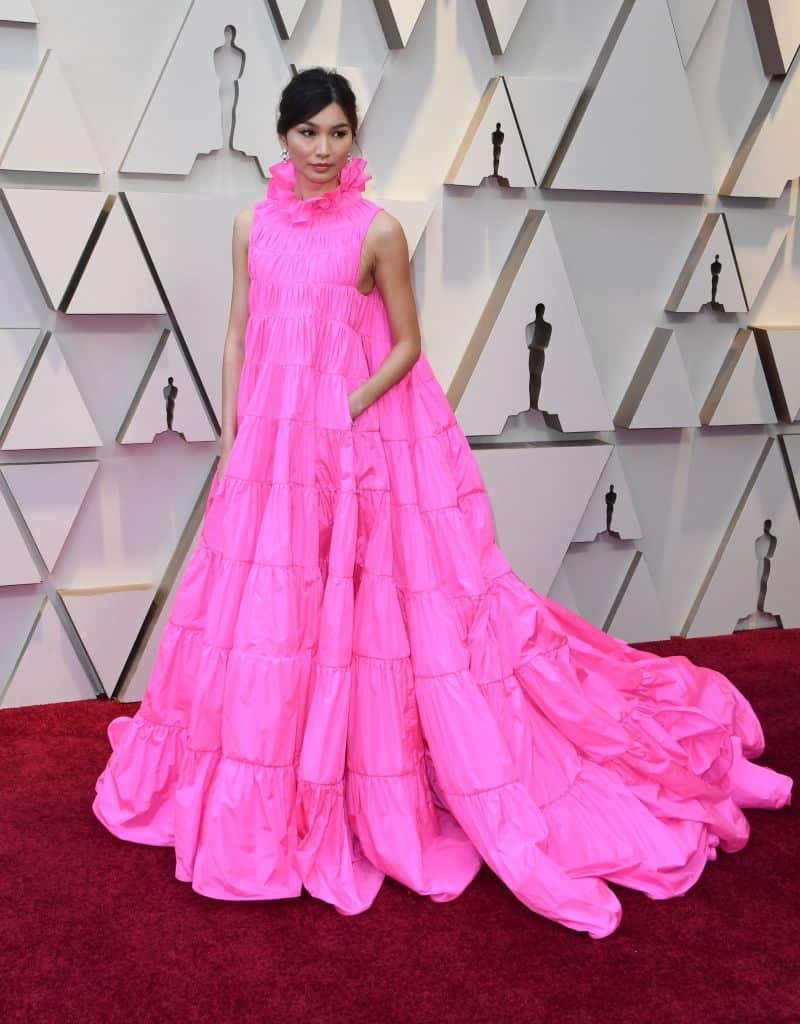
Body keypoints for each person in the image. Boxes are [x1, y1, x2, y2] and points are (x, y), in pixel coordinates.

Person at [92, 67, 793, 939]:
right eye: (307, 133)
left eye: (338, 132)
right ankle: (259, 785)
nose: (322, 149)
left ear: (355, 139)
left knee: (357, 608)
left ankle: (356, 782)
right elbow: (238, 333)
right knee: (265, 615)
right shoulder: (250, 225)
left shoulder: (378, 232)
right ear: (281, 137)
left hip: (344, 450)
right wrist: (242, 437)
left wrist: (338, 412)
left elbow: (409, 346)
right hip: (267, 452)